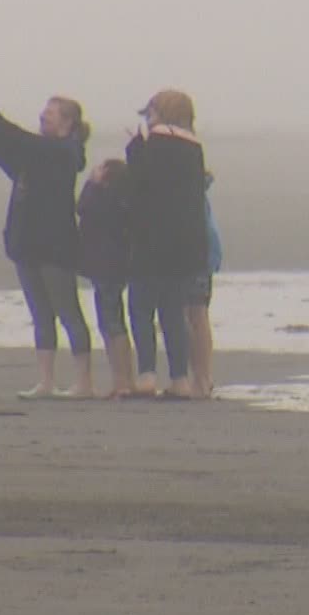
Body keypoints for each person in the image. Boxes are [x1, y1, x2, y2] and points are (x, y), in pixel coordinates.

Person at [0, 79, 94, 400]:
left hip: (55, 247)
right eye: (44, 111)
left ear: (67, 122)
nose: (43, 115)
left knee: (68, 311)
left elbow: (16, 139)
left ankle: (83, 382)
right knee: (40, 314)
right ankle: (46, 381)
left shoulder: (64, 152)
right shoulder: (33, 155)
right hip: (26, 244)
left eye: (51, 112)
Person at [125, 90, 208, 400]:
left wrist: (134, 148)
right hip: (187, 243)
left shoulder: (150, 145)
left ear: (158, 112)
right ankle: (180, 378)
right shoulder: (194, 148)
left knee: (141, 308)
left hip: (151, 240)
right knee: (173, 312)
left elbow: (139, 188)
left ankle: (146, 374)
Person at [77, 158, 137, 399]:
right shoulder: (119, 201)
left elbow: (82, 207)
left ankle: (123, 381)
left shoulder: (106, 199)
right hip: (112, 265)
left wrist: (92, 184)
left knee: (111, 323)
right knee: (111, 322)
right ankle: (122, 380)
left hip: (107, 266)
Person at [184, 174, 224, 399]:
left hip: (195, 259)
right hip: (203, 258)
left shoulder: (189, 193)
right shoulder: (197, 191)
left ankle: (201, 378)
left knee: (193, 316)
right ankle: (202, 378)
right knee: (198, 316)